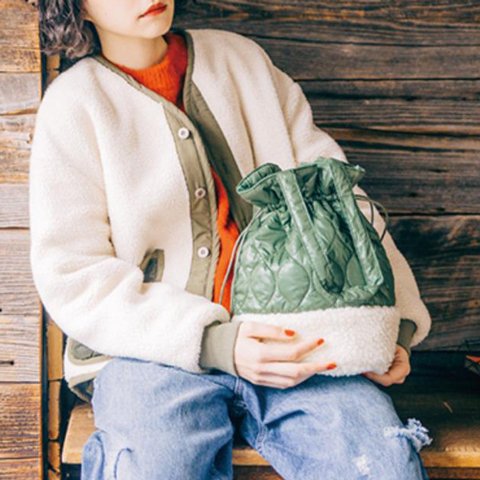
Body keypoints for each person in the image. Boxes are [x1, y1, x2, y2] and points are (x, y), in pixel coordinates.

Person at [30, 0, 433, 478]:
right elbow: (74, 275)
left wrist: (387, 326)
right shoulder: (74, 105)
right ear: (73, 6)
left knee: (382, 464)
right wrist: (215, 342)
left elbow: (337, 201)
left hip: (298, 344)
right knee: (154, 468)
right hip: (146, 356)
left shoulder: (243, 63)